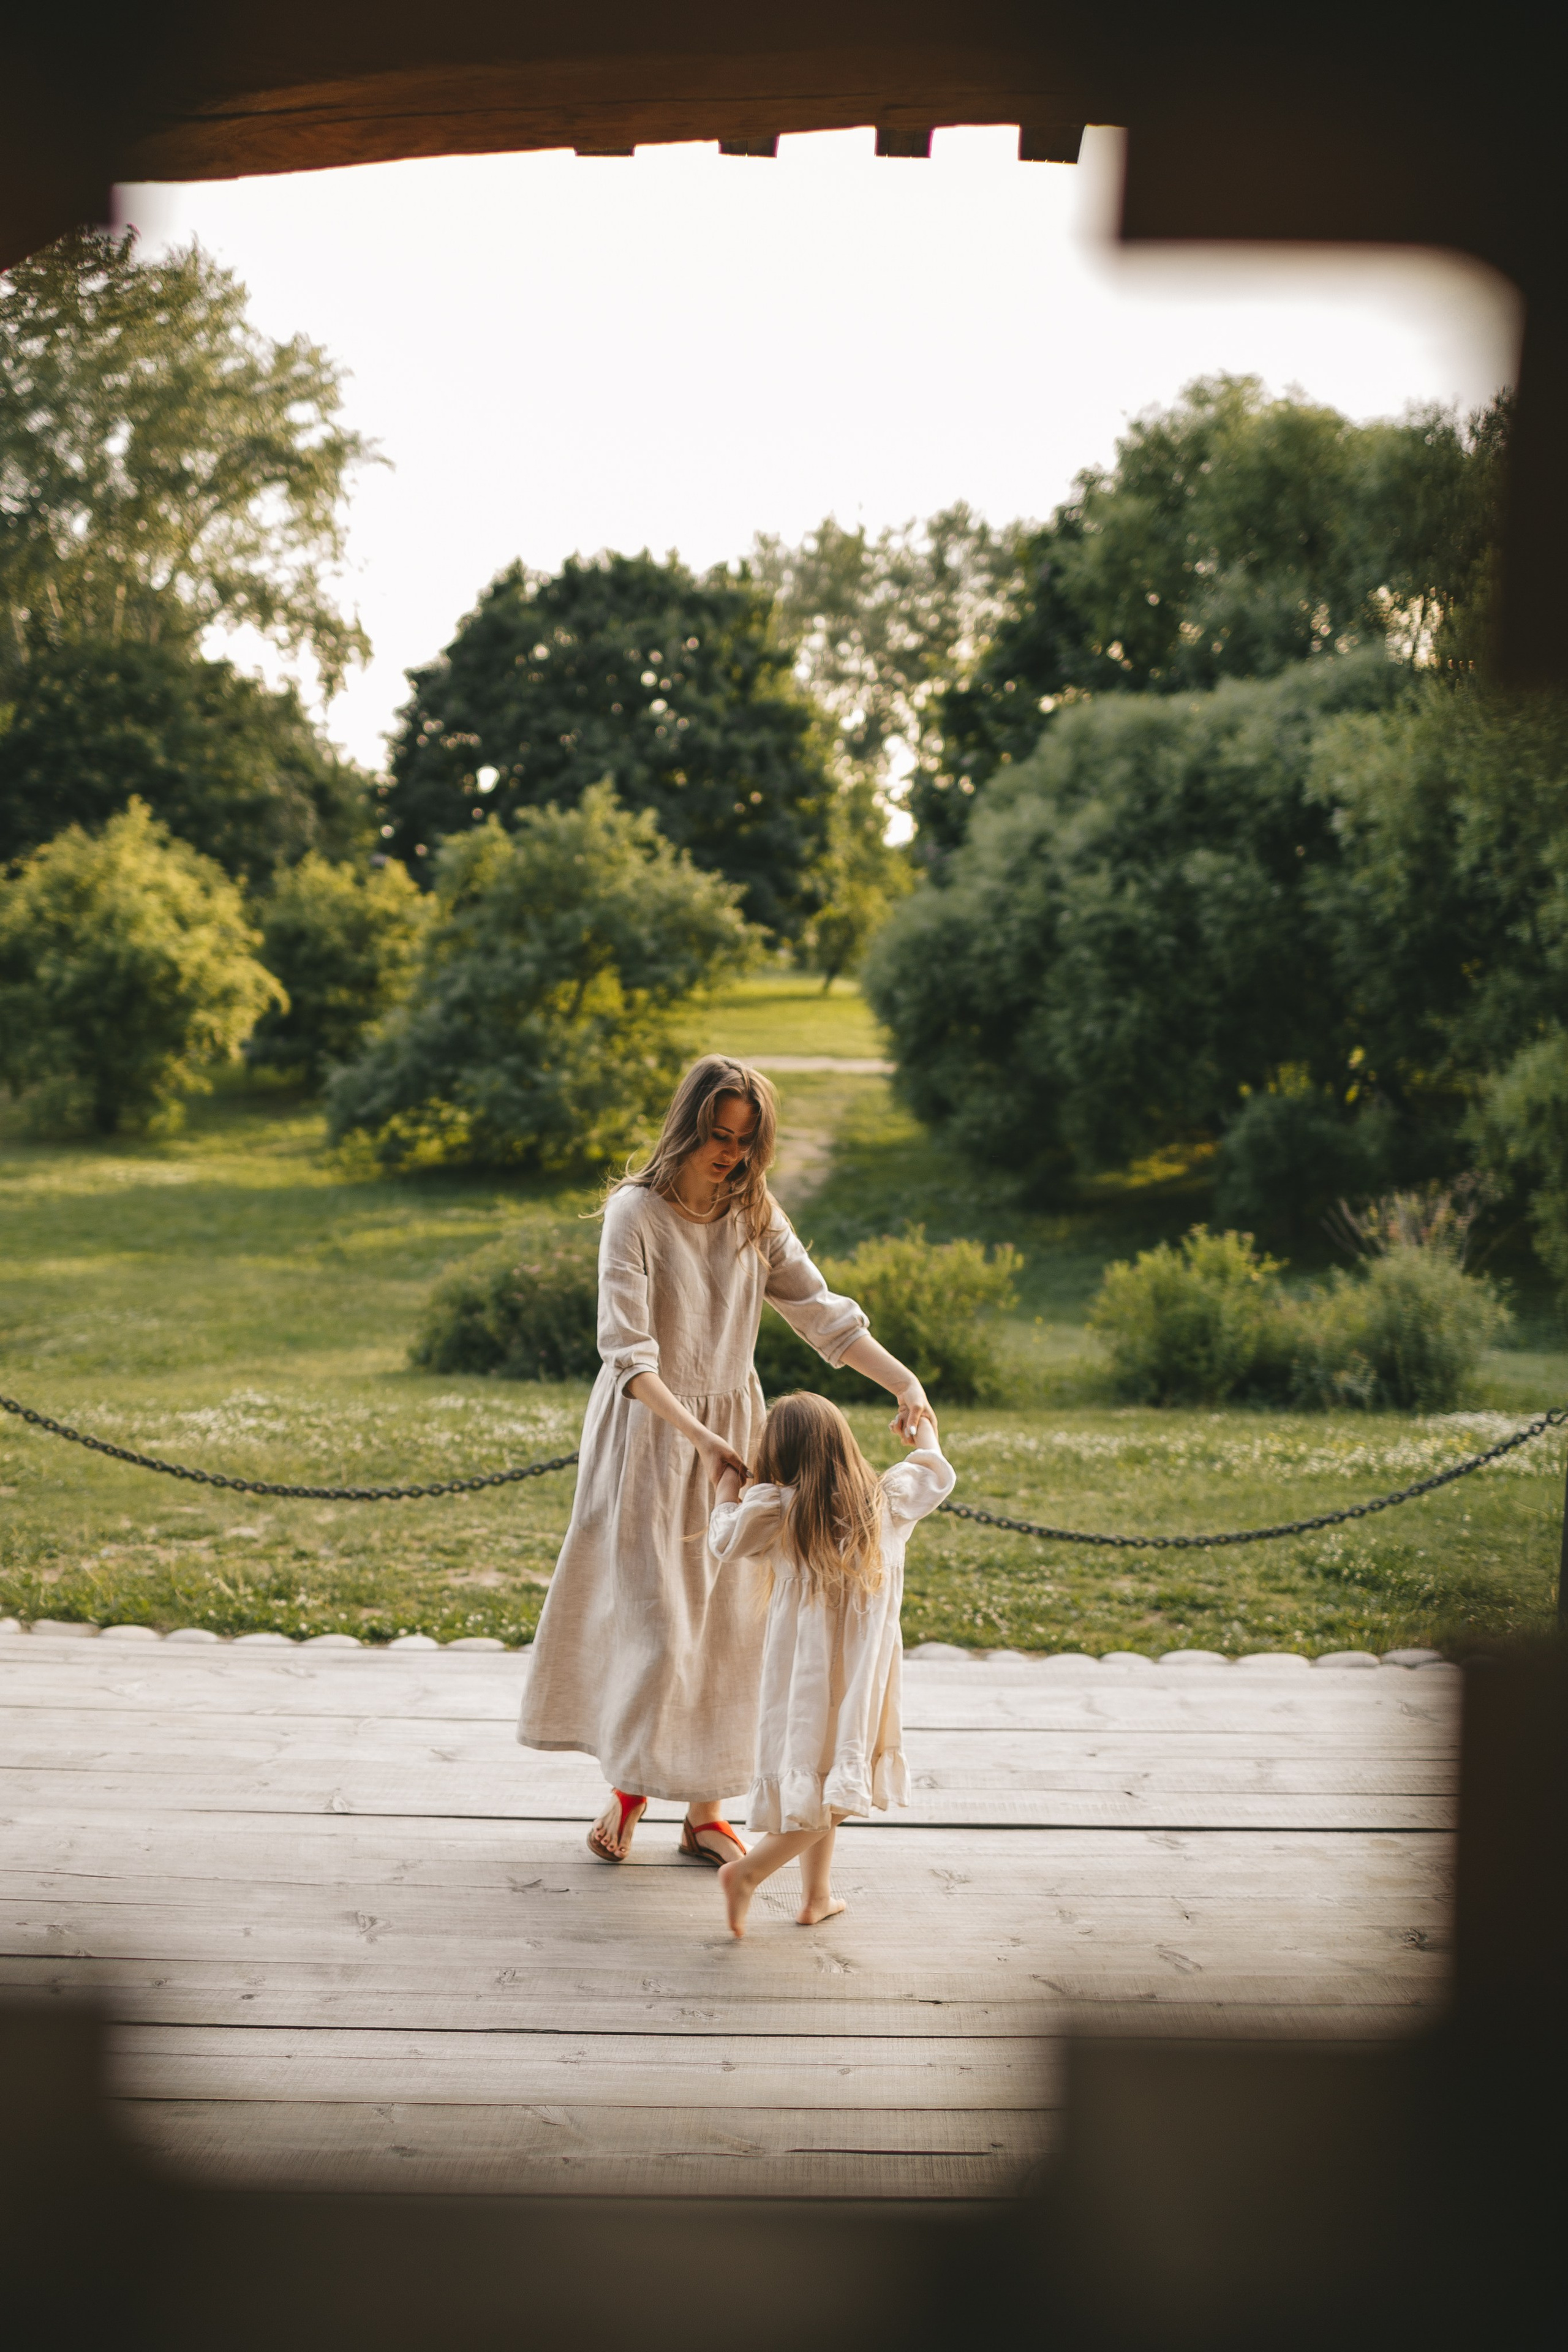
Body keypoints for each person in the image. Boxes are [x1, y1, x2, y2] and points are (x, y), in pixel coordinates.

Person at [516, 1055, 931, 1865]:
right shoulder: (633, 1214)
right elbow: (629, 1359)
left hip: (739, 1433)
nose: (729, 1155)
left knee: (733, 1625)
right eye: (717, 1135)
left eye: (745, 1141)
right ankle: (631, 1787)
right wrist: (700, 1438)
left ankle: (706, 1812)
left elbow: (822, 1314)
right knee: (658, 1623)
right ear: (687, 1126)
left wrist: (905, 1381)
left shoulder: (754, 1215)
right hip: (648, 1429)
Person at [705, 1388, 954, 1938]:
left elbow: (724, 1540)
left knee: (823, 1775)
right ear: (842, 1442)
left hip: (801, 1674)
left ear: (778, 1453)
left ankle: (816, 1896)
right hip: (863, 1673)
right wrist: (923, 1427)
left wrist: (725, 1483)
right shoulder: (885, 1501)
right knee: (841, 1779)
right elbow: (936, 1473)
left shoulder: (772, 1508)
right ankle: (748, 1873)